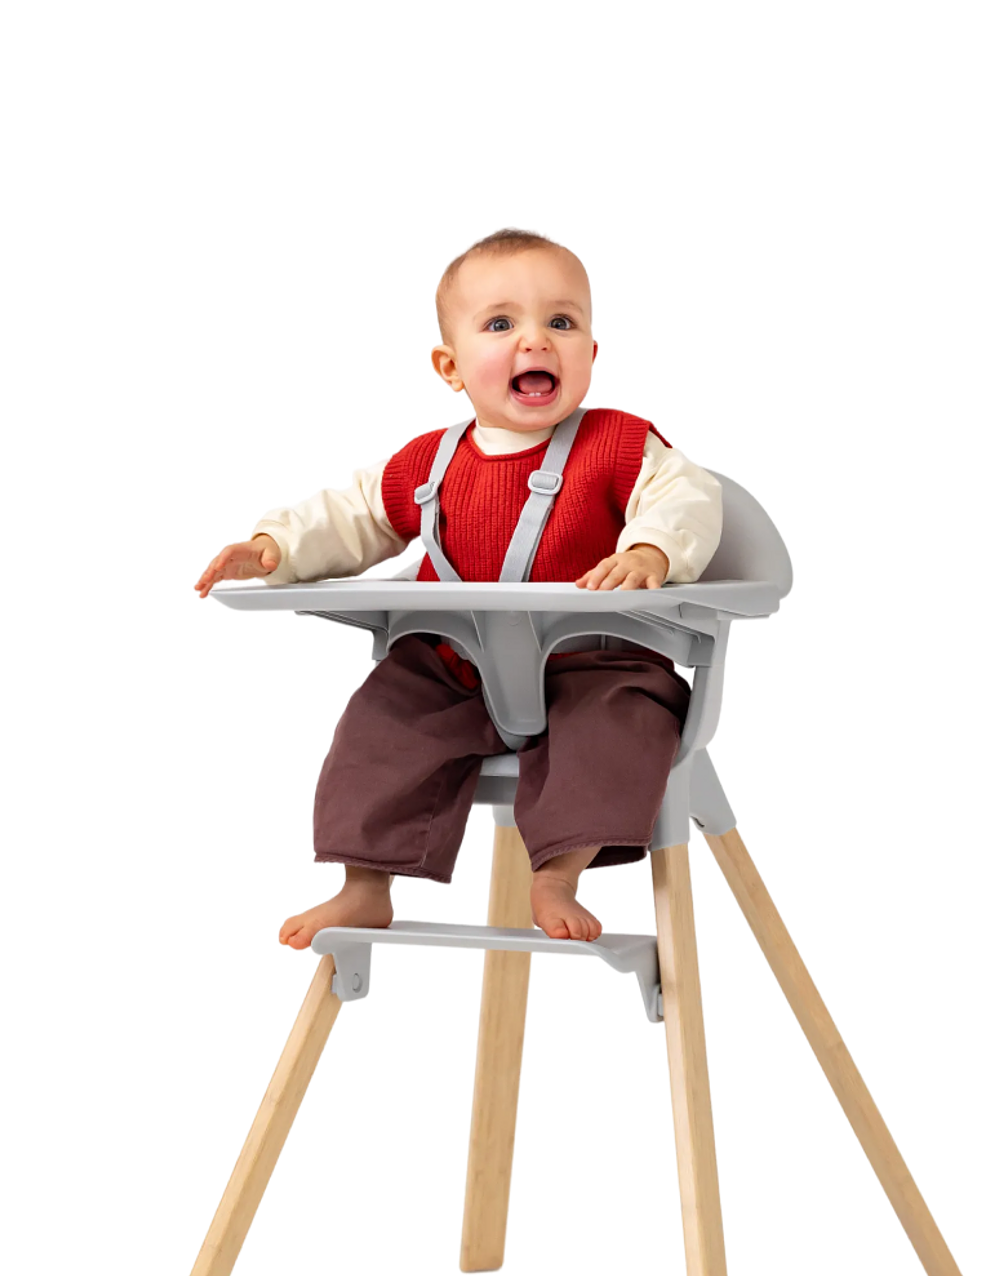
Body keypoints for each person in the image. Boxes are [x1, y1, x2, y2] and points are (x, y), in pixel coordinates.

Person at [193, 227, 722, 945]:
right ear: (451, 366)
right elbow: (351, 515)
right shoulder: (431, 461)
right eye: (501, 324)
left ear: (591, 355)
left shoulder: (621, 443)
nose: (536, 341)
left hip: (597, 660)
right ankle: (364, 884)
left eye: (561, 323)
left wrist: (653, 549)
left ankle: (558, 872)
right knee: (381, 720)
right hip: (457, 662)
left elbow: (685, 496)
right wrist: (272, 548)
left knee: (619, 724)